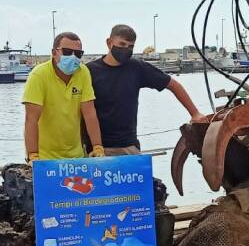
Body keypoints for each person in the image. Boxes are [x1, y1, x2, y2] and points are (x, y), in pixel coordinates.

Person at [87, 24, 204, 155]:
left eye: (130, 46)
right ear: (109, 43)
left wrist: (195, 113)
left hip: (127, 145)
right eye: (122, 44)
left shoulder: (137, 68)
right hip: (96, 147)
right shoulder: (89, 71)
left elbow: (173, 85)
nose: (126, 49)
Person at [24, 32, 104, 160]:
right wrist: (33, 155)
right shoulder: (38, 75)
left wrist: (97, 147)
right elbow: (31, 119)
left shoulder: (83, 72)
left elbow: (89, 113)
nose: (73, 57)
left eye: (78, 54)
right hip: (44, 158)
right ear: (54, 52)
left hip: (76, 156)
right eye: (67, 52)